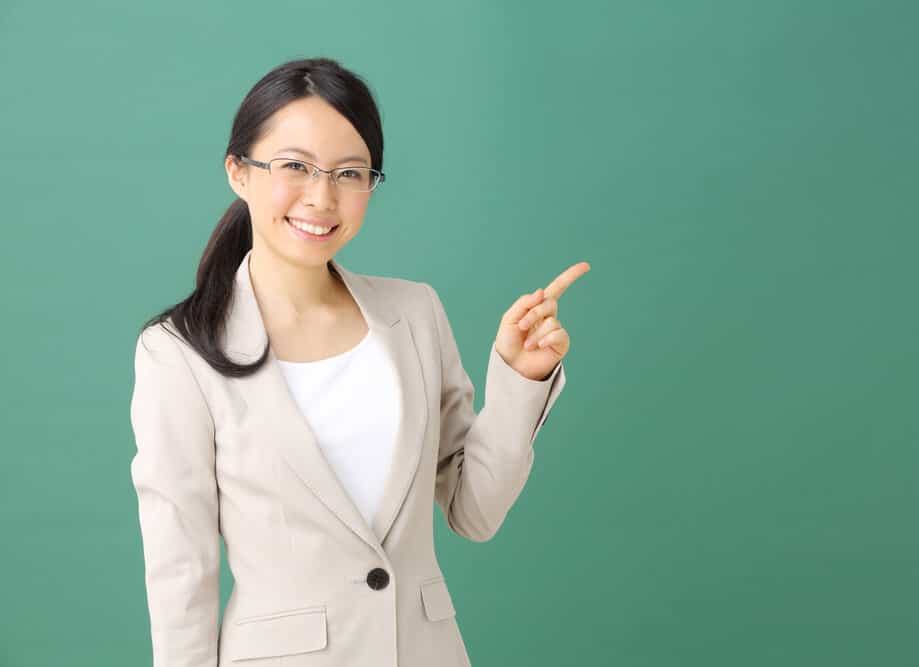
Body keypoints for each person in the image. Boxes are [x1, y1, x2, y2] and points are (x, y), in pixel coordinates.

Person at [128, 56, 587, 667]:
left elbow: (474, 512)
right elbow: (180, 569)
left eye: (350, 173)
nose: (322, 197)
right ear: (239, 172)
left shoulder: (414, 313)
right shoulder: (179, 351)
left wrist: (520, 380)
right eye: (295, 166)